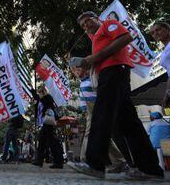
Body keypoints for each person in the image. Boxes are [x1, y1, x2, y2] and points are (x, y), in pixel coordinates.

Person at [70, 11, 163, 179]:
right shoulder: (96, 39)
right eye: (83, 26)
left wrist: (96, 56)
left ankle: (95, 164)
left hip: (114, 72)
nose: (86, 26)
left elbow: (126, 38)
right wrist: (89, 62)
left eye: (88, 21)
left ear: (97, 18)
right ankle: (150, 168)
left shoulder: (107, 25)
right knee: (128, 123)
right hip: (111, 73)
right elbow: (101, 56)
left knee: (101, 114)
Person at [71, 65, 129, 173]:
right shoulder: (82, 82)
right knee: (102, 135)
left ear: (85, 69)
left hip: (96, 106)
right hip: (89, 110)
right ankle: (120, 160)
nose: (76, 72)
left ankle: (85, 160)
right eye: (75, 70)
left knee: (90, 133)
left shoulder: (92, 79)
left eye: (79, 69)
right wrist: (84, 110)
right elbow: (82, 98)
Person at [32, 87, 64, 169]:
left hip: (48, 122)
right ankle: (39, 161)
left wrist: (40, 99)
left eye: (40, 92)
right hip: (44, 123)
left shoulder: (48, 98)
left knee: (51, 142)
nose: (38, 94)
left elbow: (49, 104)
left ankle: (58, 162)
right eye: (38, 92)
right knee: (42, 141)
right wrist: (32, 90)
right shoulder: (40, 99)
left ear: (43, 92)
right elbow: (36, 99)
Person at [149, 21, 170, 108]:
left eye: (158, 30)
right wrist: (167, 93)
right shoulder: (165, 51)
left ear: (167, 29)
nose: (155, 34)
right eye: (152, 33)